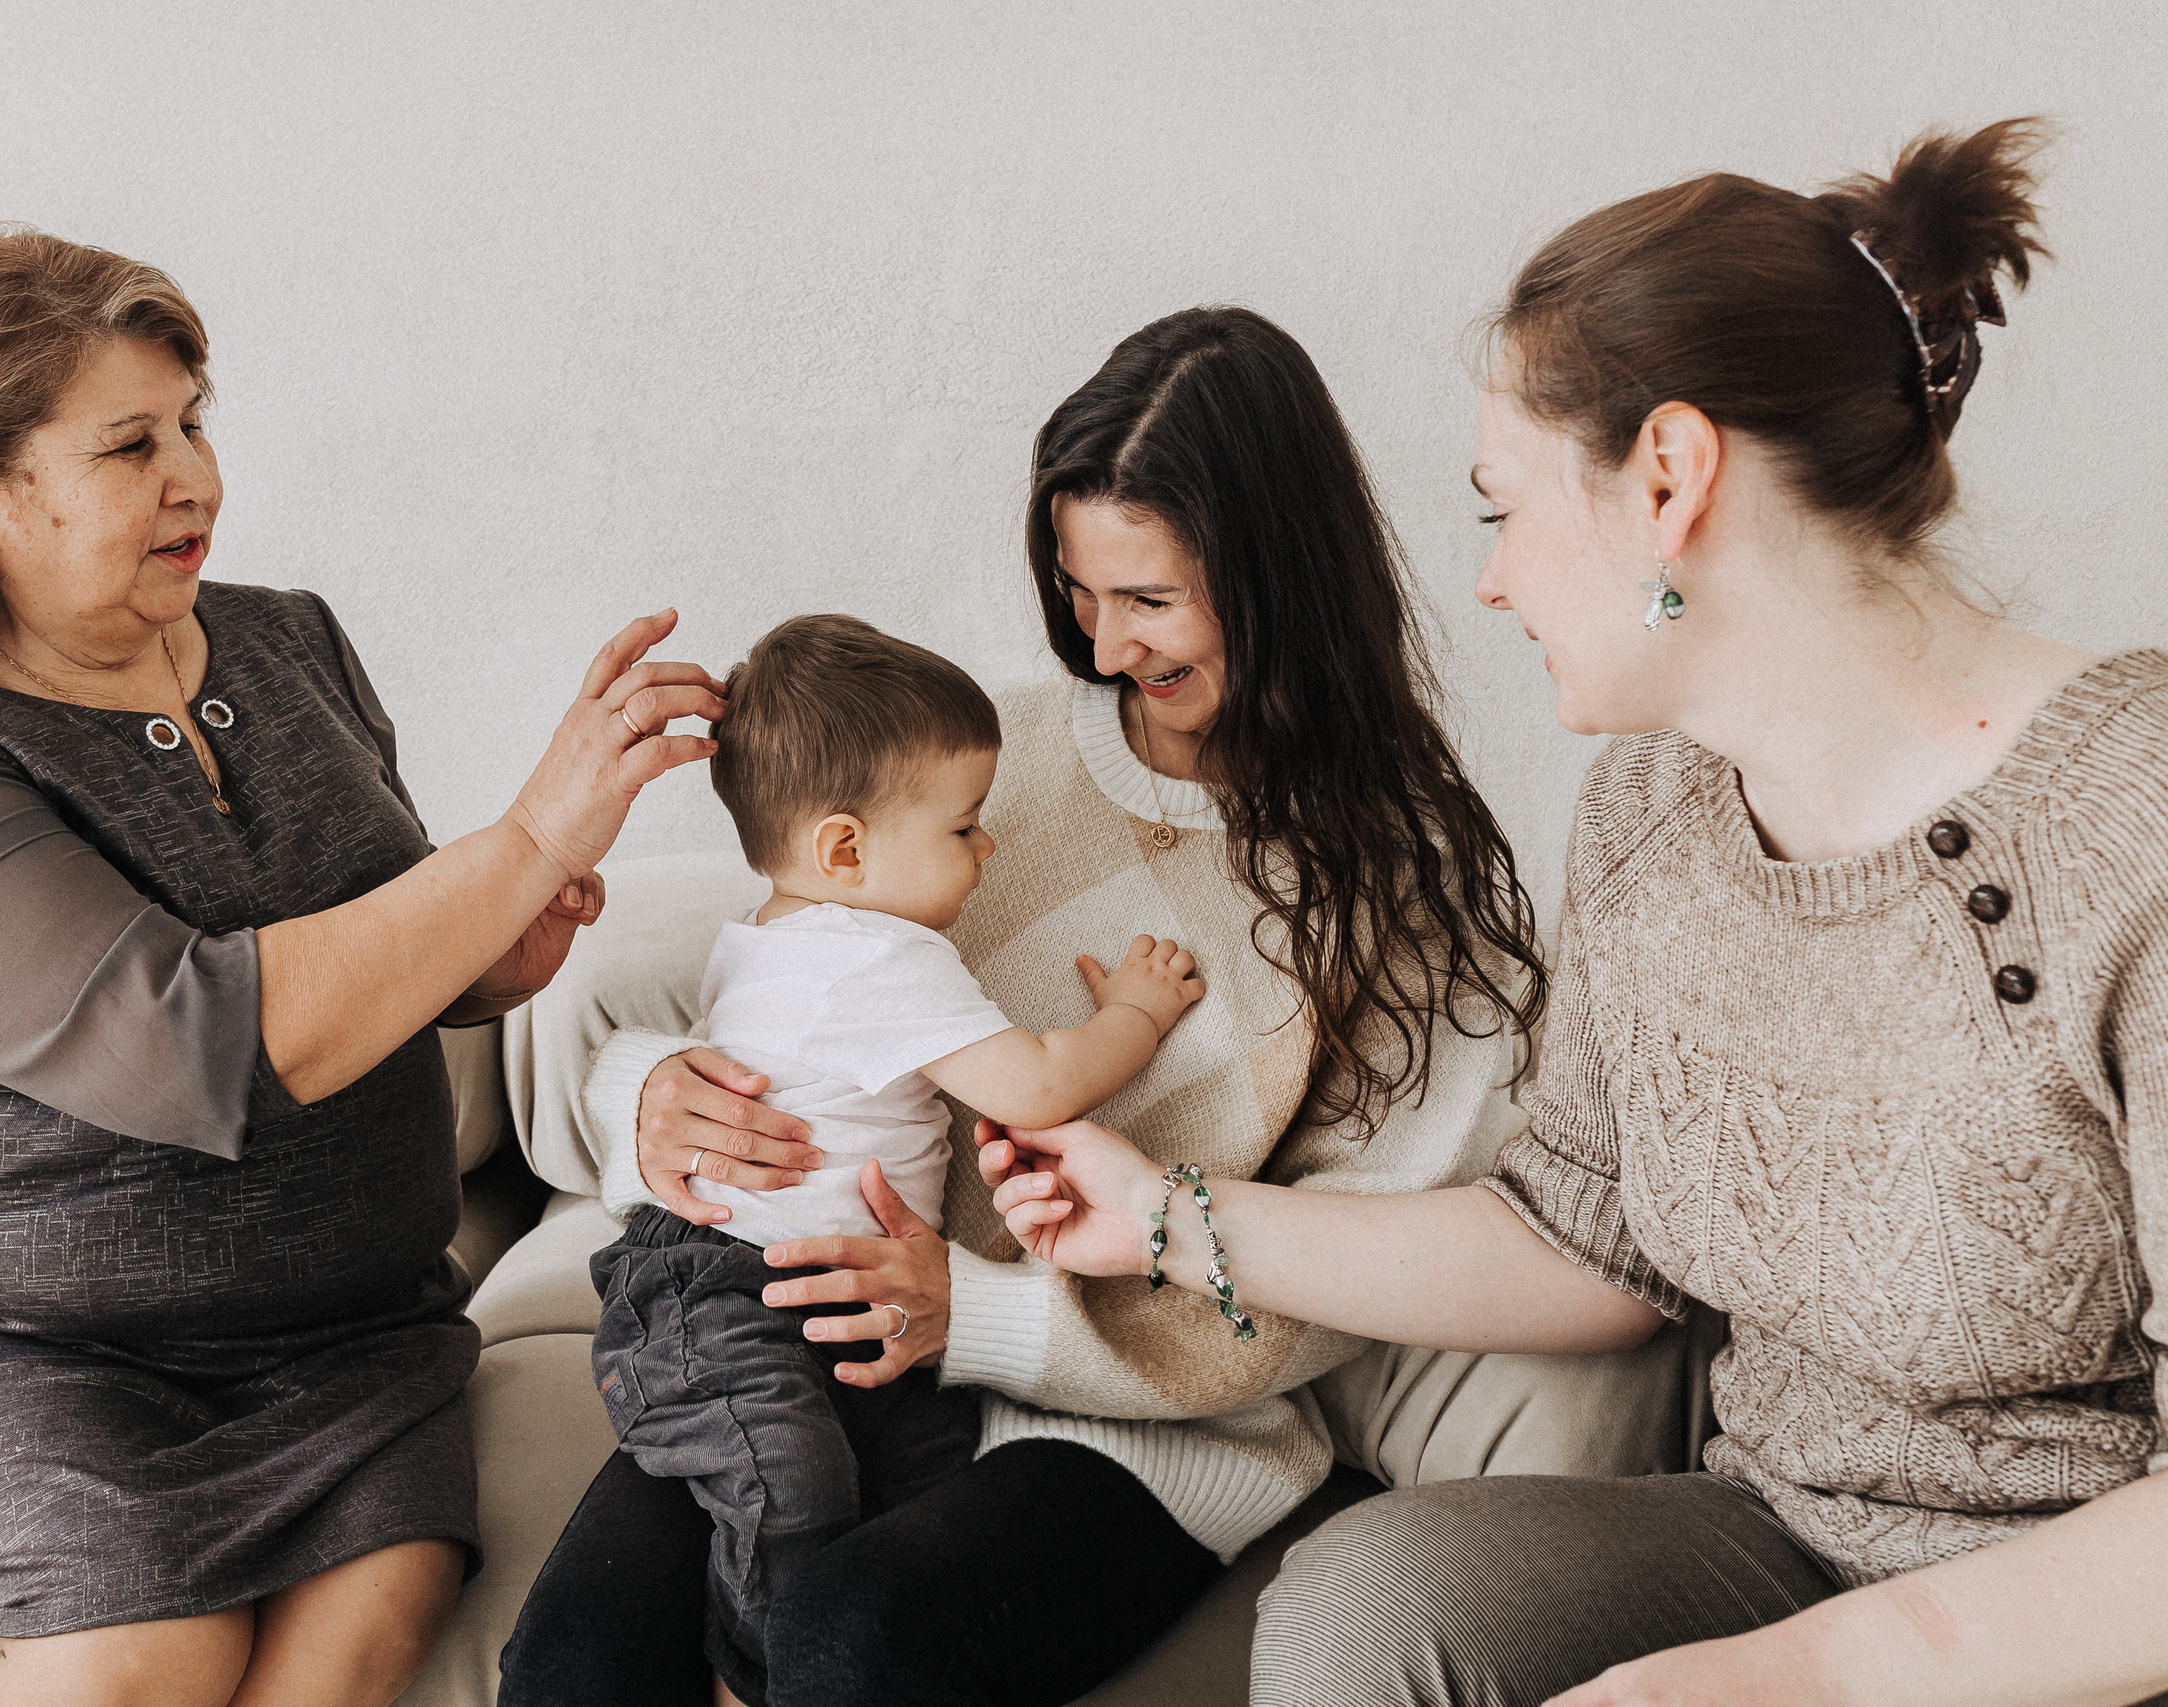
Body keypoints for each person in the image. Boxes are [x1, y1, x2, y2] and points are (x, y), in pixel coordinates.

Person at [981, 121, 2168, 1707]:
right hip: (1780, 1534)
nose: (1487, 581)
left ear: (1668, 479)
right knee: (1371, 1603)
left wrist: (1768, 1682)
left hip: (2082, 1613)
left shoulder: (2135, 825)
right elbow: (1584, 1239)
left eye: (1502, 507)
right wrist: (1163, 1220)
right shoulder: (1653, 808)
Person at [501, 306, 1712, 1707]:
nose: (1107, 641)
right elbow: (783, 977)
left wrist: (986, 1317)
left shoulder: (1401, 888)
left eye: (1150, 600)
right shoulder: (969, 758)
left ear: (1275, 577)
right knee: (575, 1657)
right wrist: (642, 1093)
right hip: (811, 1344)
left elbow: (1353, 1277)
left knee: (847, 1635)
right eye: (1081, 593)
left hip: (1126, 1427)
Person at [0, 224, 722, 1707]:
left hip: (350, 1341)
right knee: (144, 1660)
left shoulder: (290, 642)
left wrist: (497, 948)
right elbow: (191, 1040)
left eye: (195, 422)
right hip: (42, 1355)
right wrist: (531, 835)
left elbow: (389, 940)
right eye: (128, 445)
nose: (196, 478)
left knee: (349, 1651)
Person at [569, 614, 1205, 1705]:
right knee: (790, 1486)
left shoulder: (773, 935)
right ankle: (746, 1677)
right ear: (846, 851)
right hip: (722, 1293)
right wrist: (1139, 1016)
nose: (987, 850)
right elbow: (1041, 1081)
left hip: (812, 1306)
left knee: (914, 1472)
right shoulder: (882, 955)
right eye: (964, 830)